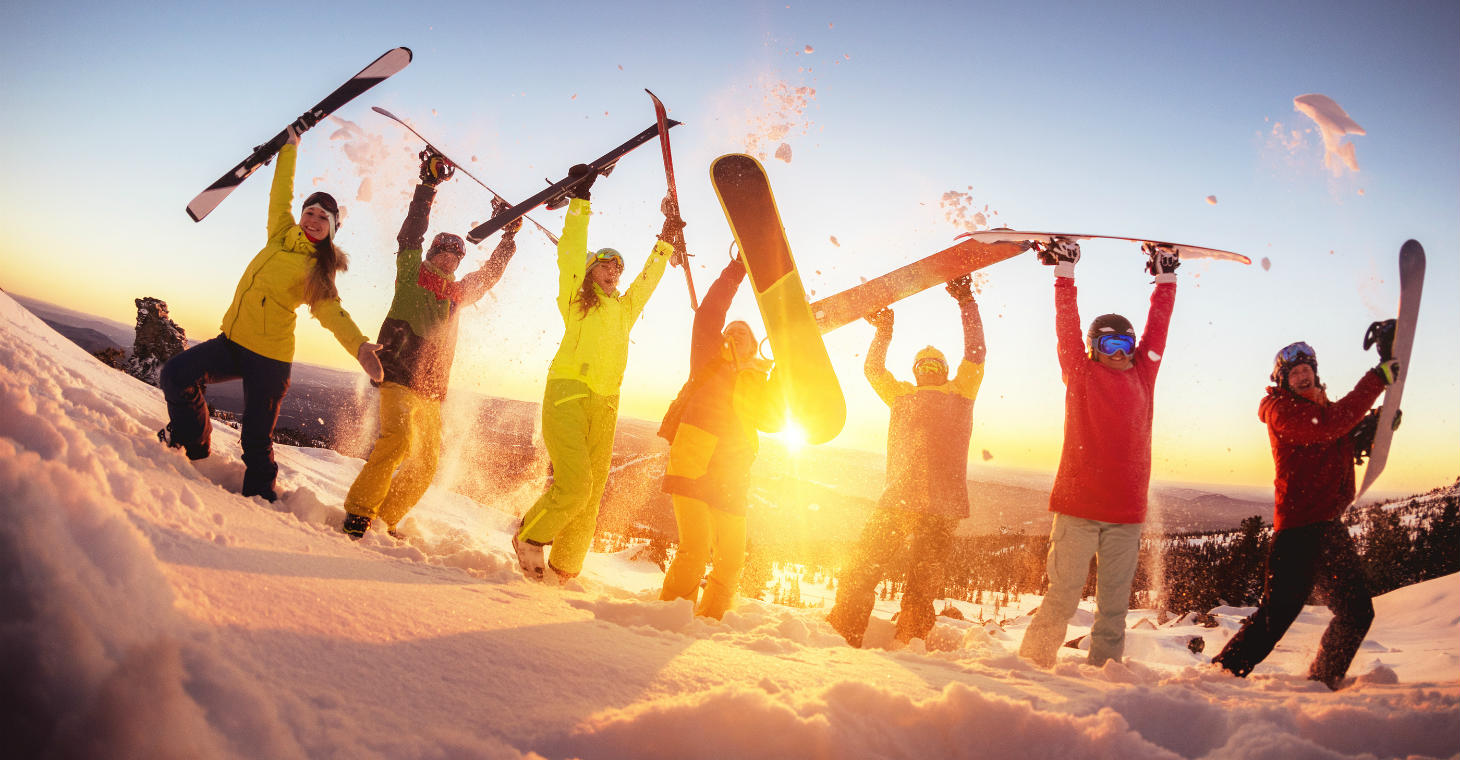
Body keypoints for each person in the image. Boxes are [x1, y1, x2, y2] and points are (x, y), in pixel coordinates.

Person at [159, 127, 382, 502]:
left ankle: (260, 501)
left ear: (331, 230)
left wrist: (359, 346)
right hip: (231, 342)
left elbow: (332, 312)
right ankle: (193, 446)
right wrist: (289, 149)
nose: (312, 219)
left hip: (269, 360)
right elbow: (281, 194)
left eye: (322, 218)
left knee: (256, 438)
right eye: (309, 212)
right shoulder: (280, 233)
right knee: (176, 376)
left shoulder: (318, 270)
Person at [511, 164, 685, 583]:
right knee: (573, 485)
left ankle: (564, 570)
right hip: (569, 393)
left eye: (617, 268)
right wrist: (580, 199)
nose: (614, 271)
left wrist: (666, 239)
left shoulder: (624, 311)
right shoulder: (576, 300)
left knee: (588, 497)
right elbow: (571, 251)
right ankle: (529, 537)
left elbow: (646, 280)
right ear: (590, 270)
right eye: (606, 264)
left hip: (606, 405)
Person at [341, 149, 522, 539]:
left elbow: (489, 275)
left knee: (425, 463)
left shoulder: (457, 294)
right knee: (397, 442)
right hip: (398, 377)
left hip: (431, 389)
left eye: (457, 256)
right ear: (432, 252)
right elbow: (410, 234)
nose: (450, 259)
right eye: (444, 251)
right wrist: (427, 186)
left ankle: (385, 521)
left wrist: (508, 237)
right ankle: (359, 513)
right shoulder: (412, 273)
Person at [1017, 240, 1177, 668]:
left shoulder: (1145, 373)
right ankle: (1030, 669)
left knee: (1113, 609)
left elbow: (1158, 328)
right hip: (1077, 508)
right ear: (1092, 349)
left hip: (1126, 514)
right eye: (1109, 346)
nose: (1121, 352)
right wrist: (1064, 272)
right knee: (1063, 598)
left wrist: (1166, 277)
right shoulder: (1080, 373)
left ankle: (1106, 676)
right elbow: (1065, 326)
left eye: (1126, 342)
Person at [1212, 341, 1398, 689]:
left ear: (1315, 371)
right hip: (1297, 532)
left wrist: (1372, 427)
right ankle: (1221, 674)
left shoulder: (1322, 410)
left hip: (1328, 527)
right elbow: (1326, 427)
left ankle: (1323, 678)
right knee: (1276, 616)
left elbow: (1333, 437)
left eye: (1305, 370)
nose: (1301, 376)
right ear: (1283, 381)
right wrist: (1376, 380)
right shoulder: (1281, 410)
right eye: (1293, 373)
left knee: (1357, 612)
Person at [826, 274, 985, 647]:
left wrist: (966, 300)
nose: (928, 368)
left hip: (936, 506)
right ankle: (842, 634)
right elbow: (873, 371)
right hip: (903, 499)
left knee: (919, 585)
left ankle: (909, 642)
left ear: (944, 370)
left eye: (935, 364)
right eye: (923, 364)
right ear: (915, 371)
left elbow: (975, 353)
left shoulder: (962, 391)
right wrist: (884, 329)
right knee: (862, 570)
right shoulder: (901, 395)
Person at [658, 255, 784, 619]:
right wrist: (738, 269)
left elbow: (772, 421)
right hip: (694, 460)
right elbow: (710, 311)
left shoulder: (758, 381)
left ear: (754, 346)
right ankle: (668, 620)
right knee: (695, 549)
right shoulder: (707, 358)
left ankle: (710, 620)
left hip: (732, 474)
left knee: (731, 560)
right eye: (729, 330)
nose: (733, 333)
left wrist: (781, 375)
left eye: (742, 332)